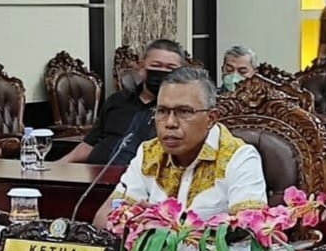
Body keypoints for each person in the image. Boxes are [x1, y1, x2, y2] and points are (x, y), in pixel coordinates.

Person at [93, 67, 267, 226]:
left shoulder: (238, 157)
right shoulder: (148, 153)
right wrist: (130, 221)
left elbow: (249, 231)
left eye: (184, 112)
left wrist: (166, 228)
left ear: (211, 118)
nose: (170, 123)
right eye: (162, 111)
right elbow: (103, 218)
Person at [61, 39, 184, 166]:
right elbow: (90, 143)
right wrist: (60, 164)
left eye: (170, 68)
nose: (162, 72)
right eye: (156, 66)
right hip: (96, 174)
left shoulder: (183, 112)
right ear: (141, 67)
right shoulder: (117, 101)